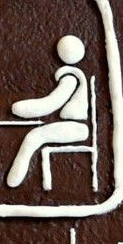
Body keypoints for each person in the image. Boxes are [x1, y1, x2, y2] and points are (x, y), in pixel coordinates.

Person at [7, 35, 90, 188]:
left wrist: (23, 109)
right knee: (32, 138)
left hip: (76, 128)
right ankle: (15, 177)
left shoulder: (72, 80)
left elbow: (51, 104)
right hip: (71, 124)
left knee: (33, 137)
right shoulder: (72, 78)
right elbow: (50, 104)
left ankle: (15, 177)